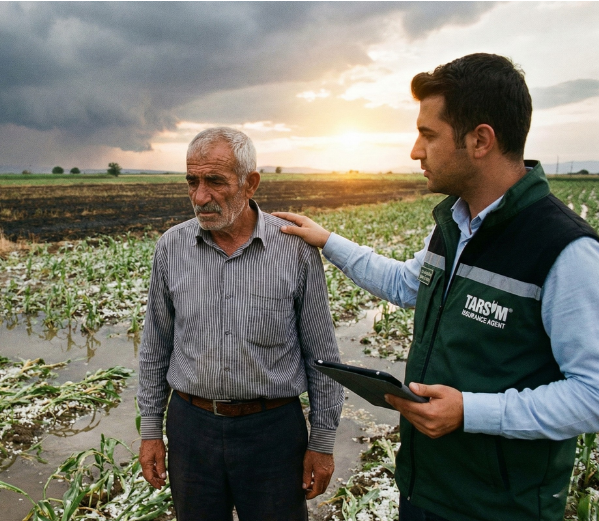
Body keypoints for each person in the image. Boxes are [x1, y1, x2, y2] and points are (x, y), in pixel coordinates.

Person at [275, 53, 599, 521]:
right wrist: (328, 241)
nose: (415, 151)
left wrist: (469, 410)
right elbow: (406, 283)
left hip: (499, 507)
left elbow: (592, 395)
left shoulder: (564, 250)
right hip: (425, 487)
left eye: (428, 135)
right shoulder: (453, 223)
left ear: (480, 140)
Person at [137, 127, 344, 521]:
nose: (200, 196)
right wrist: (150, 431)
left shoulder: (295, 249)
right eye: (192, 182)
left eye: (215, 181)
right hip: (191, 429)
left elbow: (323, 356)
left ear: (251, 183)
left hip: (273, 432)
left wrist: (322, 441)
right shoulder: (171, 247)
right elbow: (155, 347)